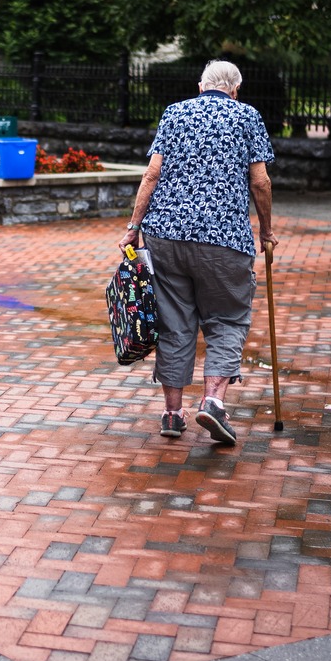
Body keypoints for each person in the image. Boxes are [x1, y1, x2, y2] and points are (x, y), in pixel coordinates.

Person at [119, 59, 276, 445]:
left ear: (201, 86)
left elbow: (151, 174)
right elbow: (260, 181)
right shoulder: (247, 116)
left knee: (175, 323)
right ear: (235, 90)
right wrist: (267, 231)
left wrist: (133, 227)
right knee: (227, 319)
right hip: (225, 240)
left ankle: (173, 414)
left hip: (165, 236)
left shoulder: (174, 112)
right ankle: (213, 403)